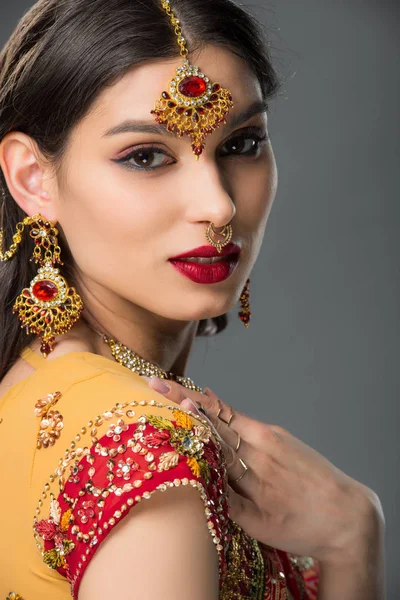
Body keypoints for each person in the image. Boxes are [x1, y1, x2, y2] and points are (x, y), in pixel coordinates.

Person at [0, 0, 385, 599]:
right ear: (32, 178)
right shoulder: (146, 454)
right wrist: (353, 544)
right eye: (146, 156)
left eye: (242, 144)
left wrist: (352, 532)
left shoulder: (26, 383)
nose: (220, 207)